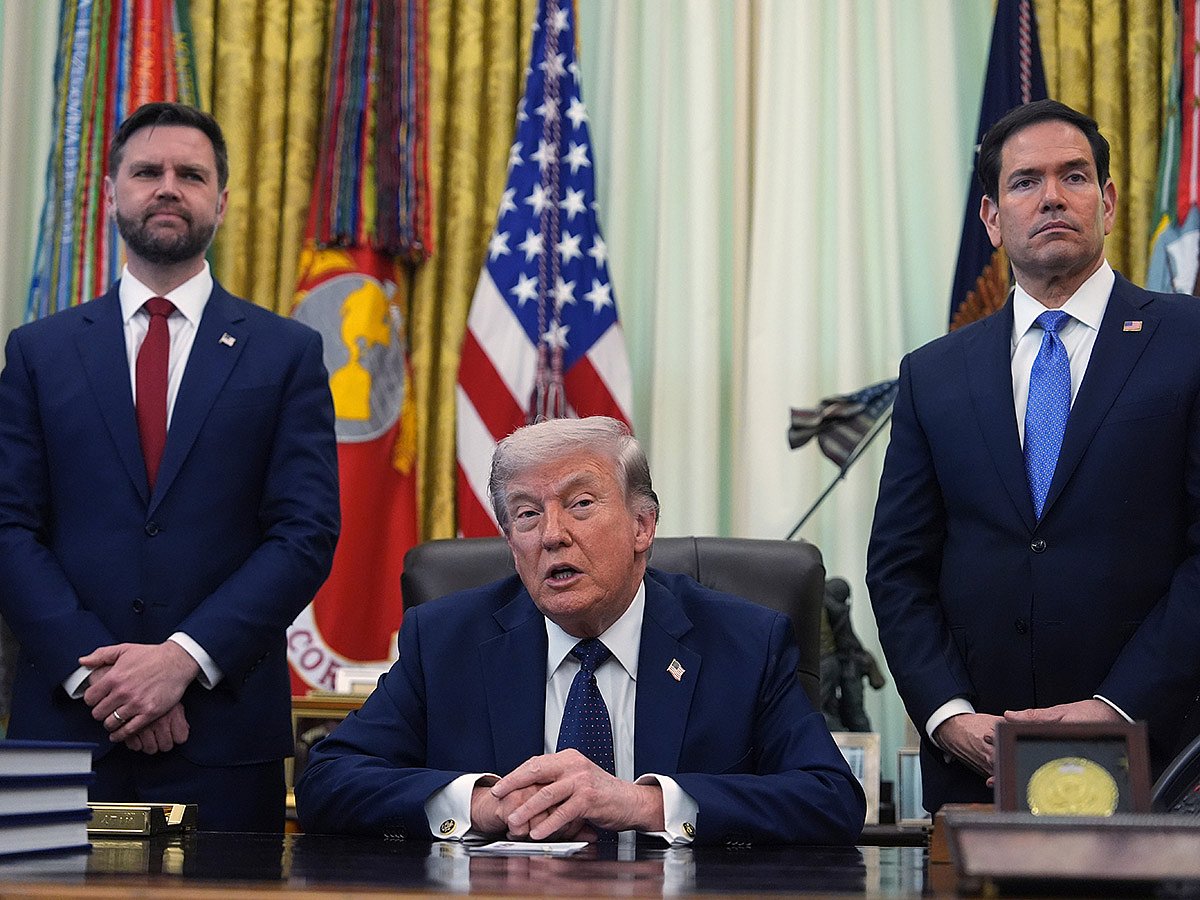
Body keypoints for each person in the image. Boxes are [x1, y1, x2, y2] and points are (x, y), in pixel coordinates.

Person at [0, 102, 340, 831]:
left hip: (221, 730)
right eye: (147, 171)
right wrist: (105, 679)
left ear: (220, 199)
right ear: (112, 190)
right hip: (63, 726)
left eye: (191, 174)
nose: (167, 187)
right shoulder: (38, 352)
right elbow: (8, 526)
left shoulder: (285, 354)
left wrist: (183, 659)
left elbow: (305, 533)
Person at [296, 416, 864, 845]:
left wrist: (645, 805)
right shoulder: (446, 640)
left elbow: (831, 798)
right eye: (526, 514)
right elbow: (328, 780)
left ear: (643, 526)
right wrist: (482, 805)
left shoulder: (742, 642)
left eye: (581, 504)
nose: (552, 535)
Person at [866, 98, 1200, 814]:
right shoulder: (934, 373)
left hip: (1162, 761)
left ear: (1107, 202)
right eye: (1025, 182)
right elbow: (899, 568)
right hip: (979, 770)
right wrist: (948, 714)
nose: (1051, 196)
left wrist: (1117, 705)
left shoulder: (1187, 340)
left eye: (1074, 176)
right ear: (991, 217)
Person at [819, 578, 884, 733]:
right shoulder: (836, 611)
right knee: (842, 712)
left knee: (850, 715)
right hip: (839, 664)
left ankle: (855, 747)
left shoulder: (830, 609)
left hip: (843, 666)